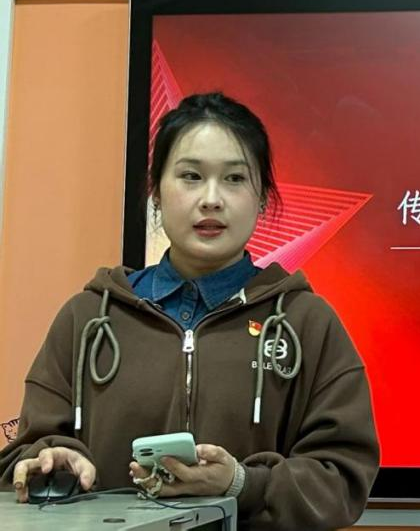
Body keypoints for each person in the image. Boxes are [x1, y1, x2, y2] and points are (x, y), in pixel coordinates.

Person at [0, 92, 380, 530]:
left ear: (262, 197)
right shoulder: (86, 318)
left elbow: (343, 479)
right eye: (191, 176)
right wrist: (52, 462)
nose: (211, 199)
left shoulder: (308, 322)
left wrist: (241, 484)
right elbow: (24, 454)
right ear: (156, 192)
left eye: (234, 178)